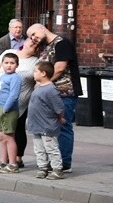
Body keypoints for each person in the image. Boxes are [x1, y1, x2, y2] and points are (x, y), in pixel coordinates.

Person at [25, 23, 80, 172]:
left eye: (34, 34)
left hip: (64, 92)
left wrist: (44, 83)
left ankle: (64, 163)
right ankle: (55, 161)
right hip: (49, 94)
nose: (34, 38)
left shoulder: (62, 43)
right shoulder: (47, 47)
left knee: (63, 127)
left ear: (42, 28)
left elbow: (60, 67)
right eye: (31, 37)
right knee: (51, 128)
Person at [27, 60, 66, 180]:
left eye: (35, 71)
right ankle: (42, 167)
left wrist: (60, 117)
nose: (33, 74)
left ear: (43, 73)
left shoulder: (50, 90)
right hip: (36, 125)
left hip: (47, 126)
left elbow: (58, 107)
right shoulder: (38, 87)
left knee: (51, 148)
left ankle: (57, 169)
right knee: (38, 148)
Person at [0, 52, 23, 173]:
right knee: (1, 136)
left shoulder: (15, 78)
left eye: (12, 63)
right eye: (6, 63)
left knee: (9, 137)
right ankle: (3, 161)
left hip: (7, 110)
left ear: (17, 65)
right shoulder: (2, 77)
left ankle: (13, 164)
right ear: (2, 64)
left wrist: (5, 109)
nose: (9, 65)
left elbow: (13, 95)